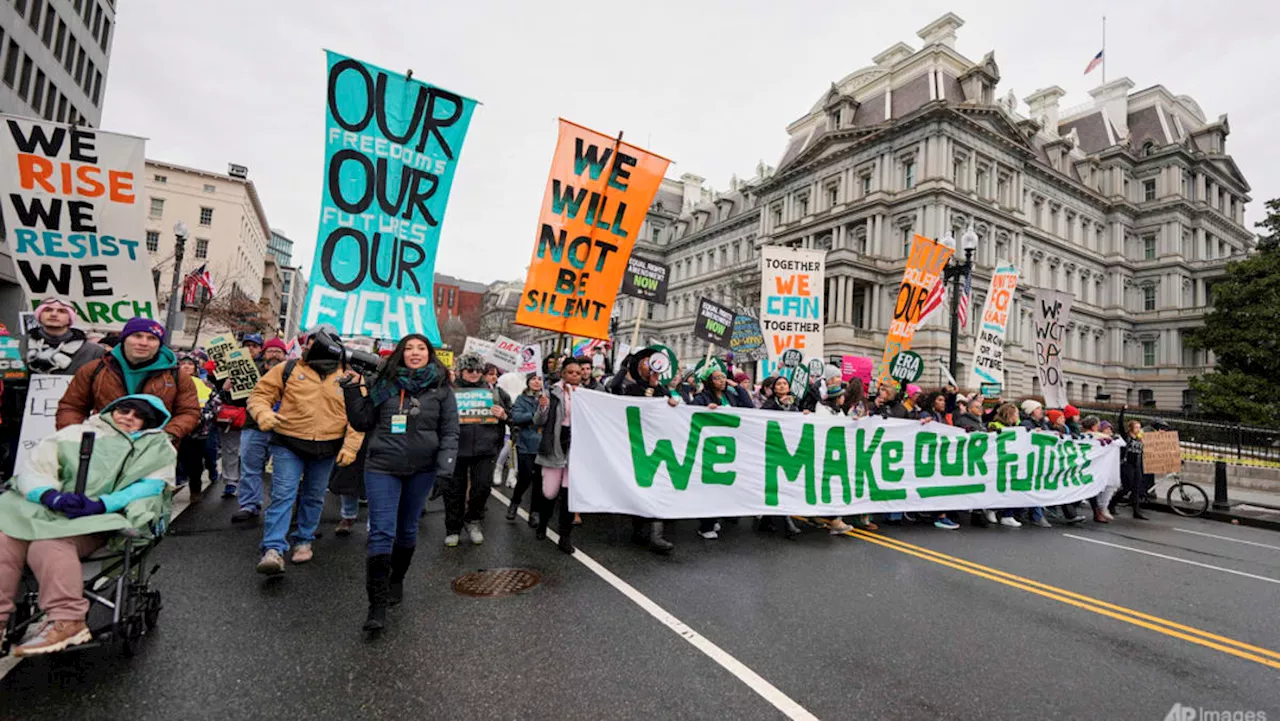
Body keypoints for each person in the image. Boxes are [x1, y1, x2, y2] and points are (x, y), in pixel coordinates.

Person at [0, 395, 175, 656]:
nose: (128, 416)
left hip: (101, 520)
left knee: (48, 545)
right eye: (123, 409)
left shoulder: (158, 446)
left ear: (148, 422)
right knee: (5, 540)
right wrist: (49, 495)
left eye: (137, 415)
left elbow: (149, 486)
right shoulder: (73, 434)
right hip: (52, 509)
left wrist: (102, 504)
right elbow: (34, 470)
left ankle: (68, 619)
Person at [342, 334, 457, 633]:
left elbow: (449, 432)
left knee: (407, 531)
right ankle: (376, 605)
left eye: (421, 348)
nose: (415, 353)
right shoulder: (384, 383)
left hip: (422, 470)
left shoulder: (442, 389)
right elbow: (362, 422)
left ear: (429, 354)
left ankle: (397, 580)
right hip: (382, 466)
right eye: (409, 348)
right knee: (381, 531)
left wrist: (445, 469)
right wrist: (352, 390)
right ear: (400, 354)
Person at [248, 328, 363, 575]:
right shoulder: (288, 369)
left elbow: (358, 416)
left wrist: (351, 447)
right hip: (289, 443)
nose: (314, 346)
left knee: (314, 495)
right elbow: (260, 395)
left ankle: (304, 540)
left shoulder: (349, 376)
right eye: (311, 342)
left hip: (328, 446)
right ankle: (273, 549)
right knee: (283, 494)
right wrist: (263, 413)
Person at [56, 318, 201, 441]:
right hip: (101, 447)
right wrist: (76, 435)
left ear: (159, 344)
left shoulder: (177, 376)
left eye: (151, 338)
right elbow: (72, 406)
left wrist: (165, 435)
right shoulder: (95, 369)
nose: (144, 343)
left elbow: (189, 412)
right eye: (137, 336)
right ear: (124, 339)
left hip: (152, 453)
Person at [613, 349, 681, 553]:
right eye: (644, 363)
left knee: (657, 487)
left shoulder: (663, 391)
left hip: (657, 447)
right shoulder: (632, 389)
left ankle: (656, 535)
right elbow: (615, 389)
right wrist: (624, 367)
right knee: (640, 488)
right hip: (636, 446)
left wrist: (671, 404)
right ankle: (638, 530)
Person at [444, 353, 511, 547]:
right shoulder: (449, 391)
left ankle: (472, 520)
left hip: (485, 449)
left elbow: (513, 417)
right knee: (453, 491)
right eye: (469, 370)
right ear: (461, 371)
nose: (474, 374)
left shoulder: (496, 392)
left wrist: (504, 415)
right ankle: (453, 528)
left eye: (477, 370)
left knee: (482, 488)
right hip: (456, 449)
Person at [229, 338, 288, 523]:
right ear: (264, 353)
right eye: (271, 351)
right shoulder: (249, 370)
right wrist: (228, 389)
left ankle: (278, 507)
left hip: (283, 428)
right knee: (250, 467)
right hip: (254, 426)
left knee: (283, 471)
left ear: (285, 355)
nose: (274, 354)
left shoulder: (294, 373)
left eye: (279, 351)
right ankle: (249, 504)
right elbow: (236, 401)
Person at [532, 356, 585, 554]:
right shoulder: (552, 392)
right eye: (570, 372)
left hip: (577, 447)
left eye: (578, 373)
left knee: (570, 495)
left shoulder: (586, 395)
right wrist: (543, 406)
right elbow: (538, 421)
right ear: (563, 373)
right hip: (555, 445)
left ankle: (565, 536)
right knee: (549, 493)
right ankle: (543, 524)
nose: (574, 376)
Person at [175, 356, 221, 499]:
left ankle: (195, 489)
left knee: (197, 460)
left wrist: (203, 417)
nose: (186, 366)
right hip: (177, 429)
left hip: (199, 430)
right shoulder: (171, 383)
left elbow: (215, 403)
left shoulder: (205, 384)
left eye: (190, 364)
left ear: (196, 368)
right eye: (183, 363)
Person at [23, 298, 105, 376]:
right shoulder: (20, 345)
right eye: (48, 310)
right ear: (39, 315)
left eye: (62, 311)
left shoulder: (94, 351)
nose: (53, 314)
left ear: (70, 318)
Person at [506, 373, 545, 526]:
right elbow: (516, 417)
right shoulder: (522, 399)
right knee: (525, 477)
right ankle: (515, 502)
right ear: (528, 382)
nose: (536, 382)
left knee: (539, 481)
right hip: (526, 444)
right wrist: (535, 415)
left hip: (543, 446)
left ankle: (534, 512)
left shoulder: (546, 398)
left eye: (540, 379)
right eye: (533, 379)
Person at [1114, 407, 1149, 520]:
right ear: (1131, 428)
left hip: (1136, 465)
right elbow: (1120, 424)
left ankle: (1136, 512)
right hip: (1127, 464)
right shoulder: (1126, 437)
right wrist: (1122, 411)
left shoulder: (1140, 439)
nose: (1139, 429)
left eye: (1139, 427)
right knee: (1126, 488)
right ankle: (1111, 504)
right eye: (1136, 427)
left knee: (1136, 488)